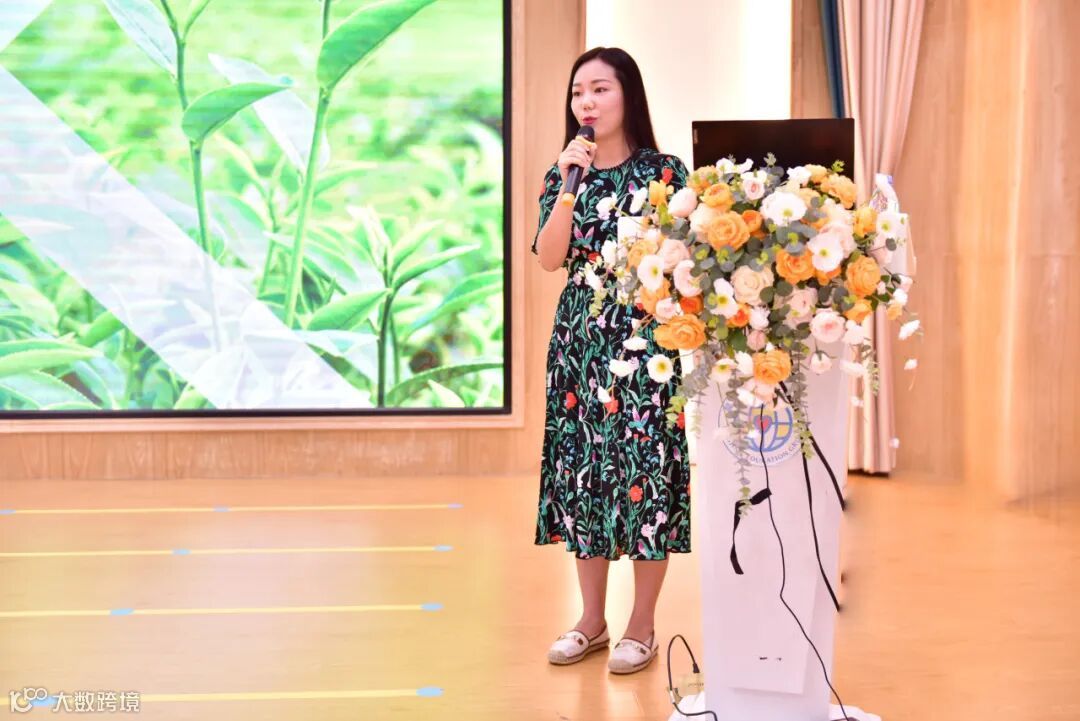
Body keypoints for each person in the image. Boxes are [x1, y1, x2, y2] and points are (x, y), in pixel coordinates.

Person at [531, 47, 691, 675]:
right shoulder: (565, 172)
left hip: (645, 343)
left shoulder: (665, 173)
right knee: (584, 476)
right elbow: (550, 258)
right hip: (579, 344)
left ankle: (641, 624)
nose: (587, 102)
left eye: (600, 89)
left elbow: (685, 258)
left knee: (646, 471)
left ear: (628, 95)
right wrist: (567, 189)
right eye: (578, 92)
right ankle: (591, 621)